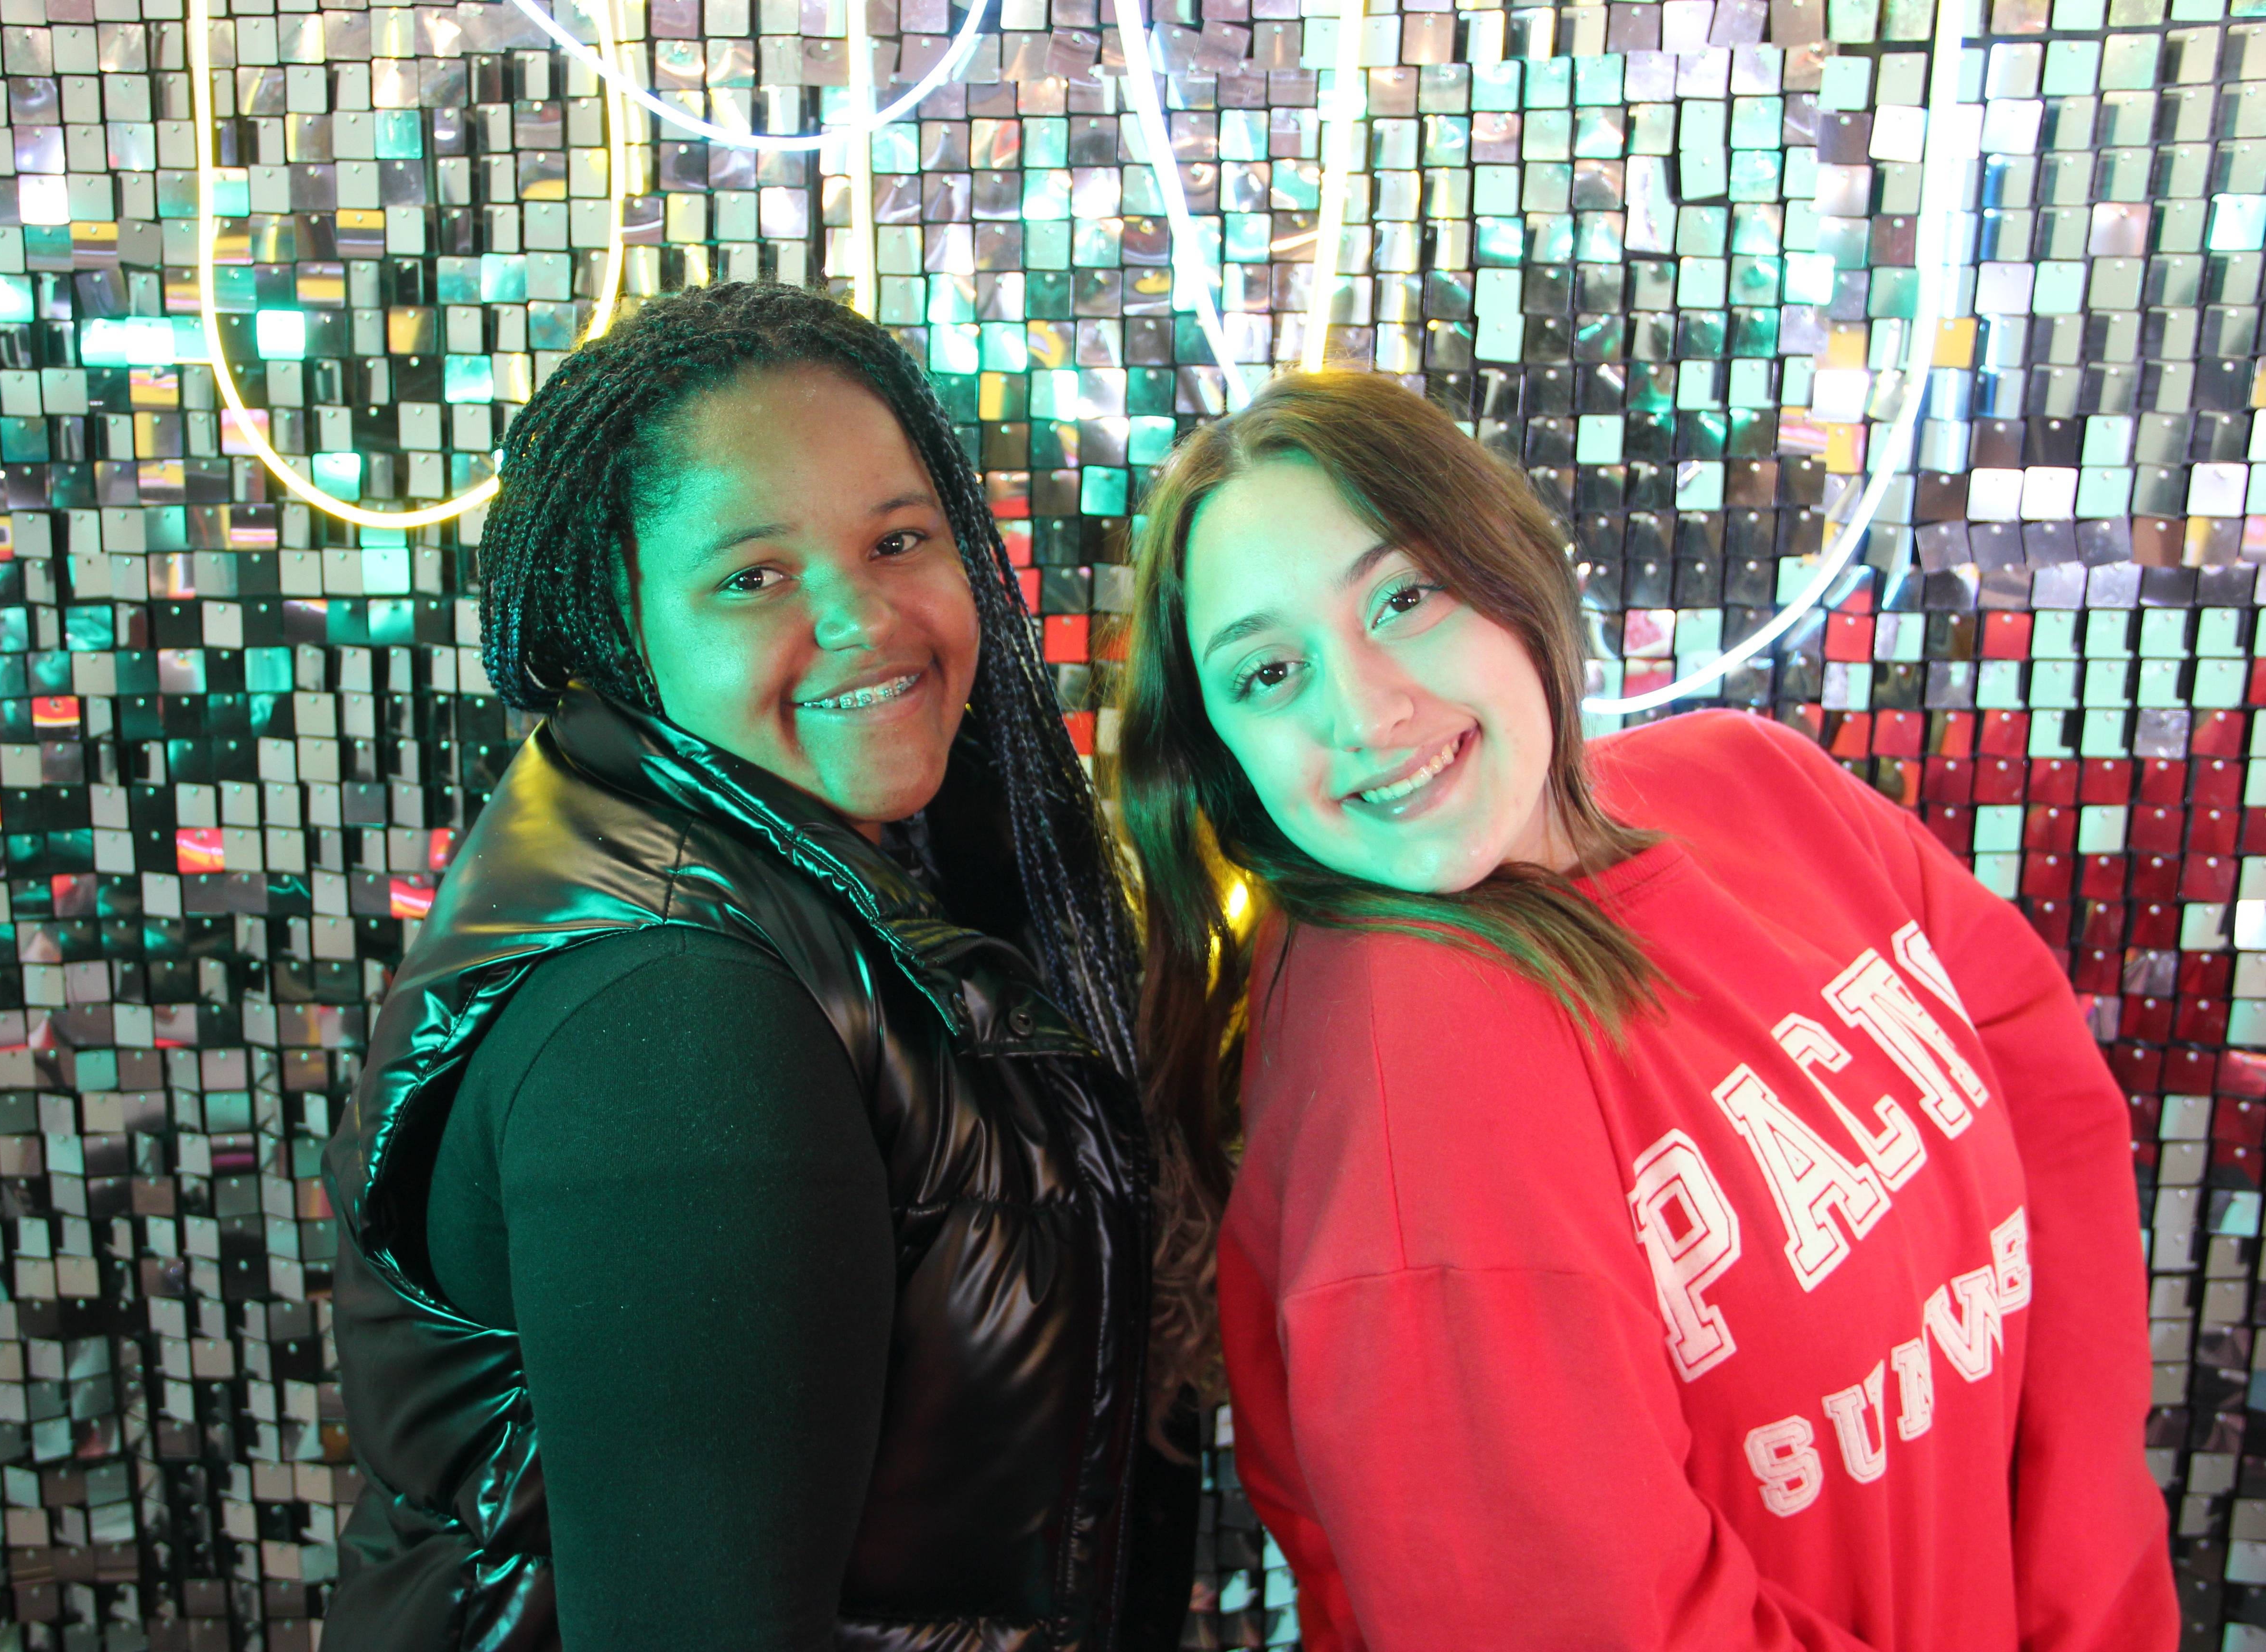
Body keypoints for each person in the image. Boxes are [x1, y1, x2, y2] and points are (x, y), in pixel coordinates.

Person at [1112, 370, 2174, 1650]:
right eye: (1271, 671)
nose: (1366, 711)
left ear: (1508, 565)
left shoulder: (1755, 782)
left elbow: (2050, 1119)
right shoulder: (1406, 1062)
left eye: (1405, 597)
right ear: (1222, 748)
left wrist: (2089, 1604)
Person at [320, 282, 1196, 1651]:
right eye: (754, 576)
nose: (866, 620)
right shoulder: (675, 1025)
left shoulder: (846, 867)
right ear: (616, 623)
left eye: (899, 540)